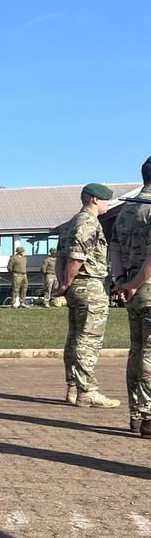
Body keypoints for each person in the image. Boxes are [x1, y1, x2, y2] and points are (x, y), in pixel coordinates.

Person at [55, 183, 119, 408]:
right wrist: (67, 282)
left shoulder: (71, 222)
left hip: (76, 287)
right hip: (89, 285)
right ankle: (87, 391)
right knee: (88, 339)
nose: (107, 205)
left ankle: (73, 387)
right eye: (105, 201)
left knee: (74, 338)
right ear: (93, 199)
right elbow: (75, 257)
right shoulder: (88, 222)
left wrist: (64, 284)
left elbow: (60, 257)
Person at [114, 158, 151, 436]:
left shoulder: (126, 210)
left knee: (137, 349)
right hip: (145, 287)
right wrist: (137, 283)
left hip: (131, 289)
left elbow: (113, 247)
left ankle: (136, 413)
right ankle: (149, 416)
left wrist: (121, 281)